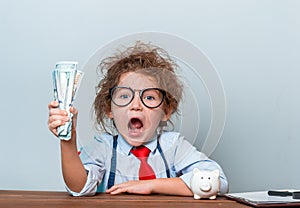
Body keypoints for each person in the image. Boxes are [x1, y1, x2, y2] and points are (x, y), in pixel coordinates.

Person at [48, 41, 229, 197]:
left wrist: (151, 185)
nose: (136, 105)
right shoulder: (103, 148)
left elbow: (218, 181)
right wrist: (68, 141)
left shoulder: (173, 146)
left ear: (166, 111)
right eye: (125, 96)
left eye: (149, 97)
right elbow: (79, 188)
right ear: (109, 109)